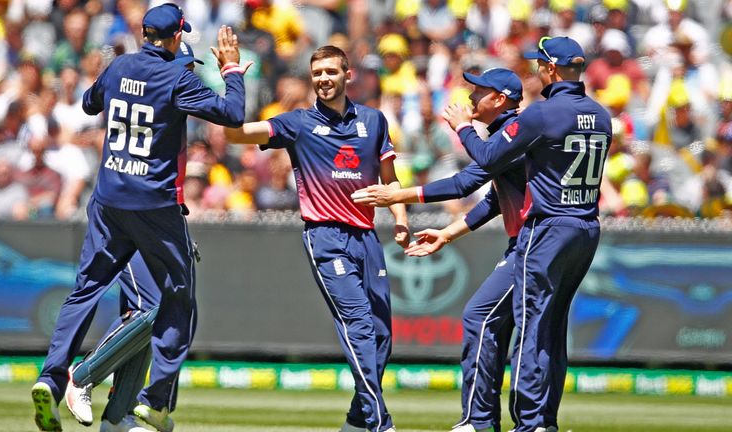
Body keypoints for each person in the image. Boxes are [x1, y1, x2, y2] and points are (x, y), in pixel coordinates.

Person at [30, 4, 248, 432]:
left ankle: (52, 379)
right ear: (173, 37)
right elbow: (233, 115)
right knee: (177, 297)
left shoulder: (120, 66)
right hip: (153, 204)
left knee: (85, 290)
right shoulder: (177, 76)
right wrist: (233, 70)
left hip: (109, 198)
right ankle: (154, 400)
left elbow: (91, 104)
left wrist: (118, 79)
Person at [224, 45, 409, 432]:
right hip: (326, 236)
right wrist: (233, 76)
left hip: (367, 238)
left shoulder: (374, 122)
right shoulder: (298, 123)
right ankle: (380, 423)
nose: (323, 79)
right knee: (358, 323)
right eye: (317, 73)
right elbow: (235, 134)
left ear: (347, 74)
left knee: (381, 337)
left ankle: (357, 423)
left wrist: (402, 220)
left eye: (330, 71)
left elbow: (391, 183)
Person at [354, 68, 526, 432]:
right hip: (528, 243)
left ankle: (482, 422)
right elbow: (495, 199)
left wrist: (396, 195)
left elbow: (465, 182)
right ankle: (521, 422)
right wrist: (448, 233)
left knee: (481, 317)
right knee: (520, 328)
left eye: (480, 91)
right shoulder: (505, 134)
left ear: (501, 99)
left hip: (532, 244)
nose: (470, 98)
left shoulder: (515, 131)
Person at [456, 37, 612, 432]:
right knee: (553, 325)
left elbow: (489, 158)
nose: (537, 70)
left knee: (530, 324)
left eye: (540, 64)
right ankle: (544, 419)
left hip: (548, 228)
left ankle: (530, 423)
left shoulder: (542, 115)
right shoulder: (602, 115)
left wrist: (463, 128)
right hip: (586, 228)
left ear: (552, 70)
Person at [62, 42, 207, 432]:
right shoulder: (158, 99)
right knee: (156, 309)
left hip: (163, 221)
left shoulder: (172, 107)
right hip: (135, 221)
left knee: (157, 314)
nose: (189, 74)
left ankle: (119, 415)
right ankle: (85, 375)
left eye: (192, 68)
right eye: (186, 66)